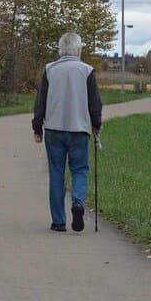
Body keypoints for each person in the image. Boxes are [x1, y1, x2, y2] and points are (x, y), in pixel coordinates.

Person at [32, 32, 102, 232]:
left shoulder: (49, 70)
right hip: (79, 129)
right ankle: (78, 202)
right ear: (79, 49)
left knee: (56, 173)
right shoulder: (87, 71)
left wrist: (37, 127)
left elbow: (40, 102)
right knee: (80, 169)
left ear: (60, 49)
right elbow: (95, 104)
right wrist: (96, 125)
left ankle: (58, 221)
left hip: (54, 129)